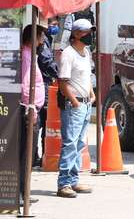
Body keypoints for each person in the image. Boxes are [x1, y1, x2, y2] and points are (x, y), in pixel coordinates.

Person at [57, 19, 96, 197]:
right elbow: (63, 82)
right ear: (78, 34)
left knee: (79, 143)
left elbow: (86, 76)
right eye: (87, 32)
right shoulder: (68, 54)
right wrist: (74, 101)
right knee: (70, 143)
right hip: (75, 105)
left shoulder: (86, 52)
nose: (90, 35)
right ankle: (64, 183)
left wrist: (91, 93)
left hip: (85, 103)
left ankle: (73, 180)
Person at [20, 24, 46, 205]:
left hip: (33, 109)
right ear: (34, 37)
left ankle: (24, 190)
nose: (43, 40)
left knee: (28, 153)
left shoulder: (31, 55)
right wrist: (30, 107)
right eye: (41, 36)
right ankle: (21, 193)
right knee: (25, 153)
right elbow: (24, 85)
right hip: (29, 110)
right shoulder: (26, 56)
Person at [35, 18, 59, 167]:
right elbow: (46, 62)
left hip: (43, 83)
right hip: (42, 84)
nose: (55, 27)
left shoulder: (46, 39)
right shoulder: (42, 40)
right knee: (43, 121)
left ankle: (42, 155)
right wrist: (60, 73)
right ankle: (41, 156)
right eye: (53, 25)